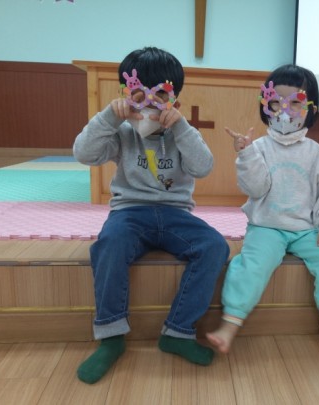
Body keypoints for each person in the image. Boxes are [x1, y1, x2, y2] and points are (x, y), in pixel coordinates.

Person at [73, 46, 230, 384]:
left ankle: (178, 332)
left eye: (160, 94)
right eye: (139, 93)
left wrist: (182, 128)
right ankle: (111, 337)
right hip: (130, 212)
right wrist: (109, 117)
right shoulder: (122, 130)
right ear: (126, 94)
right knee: (110, 244)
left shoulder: (183, 131)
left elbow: (203, 167)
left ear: (174, 98)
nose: (149, 102)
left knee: (215, 246)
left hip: (176, 215)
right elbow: (84, 154)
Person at [206, 64, 319, 355]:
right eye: (276, 102)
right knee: (251, 265)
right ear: (265, 104)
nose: (284, 111)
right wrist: (246, 155)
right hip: (266, 226)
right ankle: (230, 324)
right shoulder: (258, 148)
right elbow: (255, 189)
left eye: (296, 103)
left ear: (311, 108)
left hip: (307, 230)